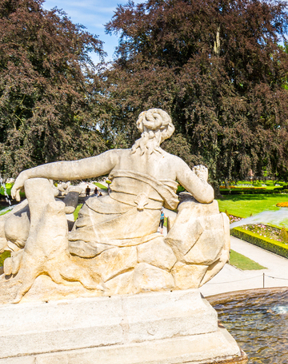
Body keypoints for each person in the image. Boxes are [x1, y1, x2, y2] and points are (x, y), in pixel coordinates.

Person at [11, 108, 213, 258]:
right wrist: (203, 179)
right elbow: (206, 196)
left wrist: (28, 173)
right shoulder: (174, 163)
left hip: (97, 225)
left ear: (140, 127)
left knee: (87, 206)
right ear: (166, 132)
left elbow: (72, 169)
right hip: (140, 230)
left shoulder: (117, 156)